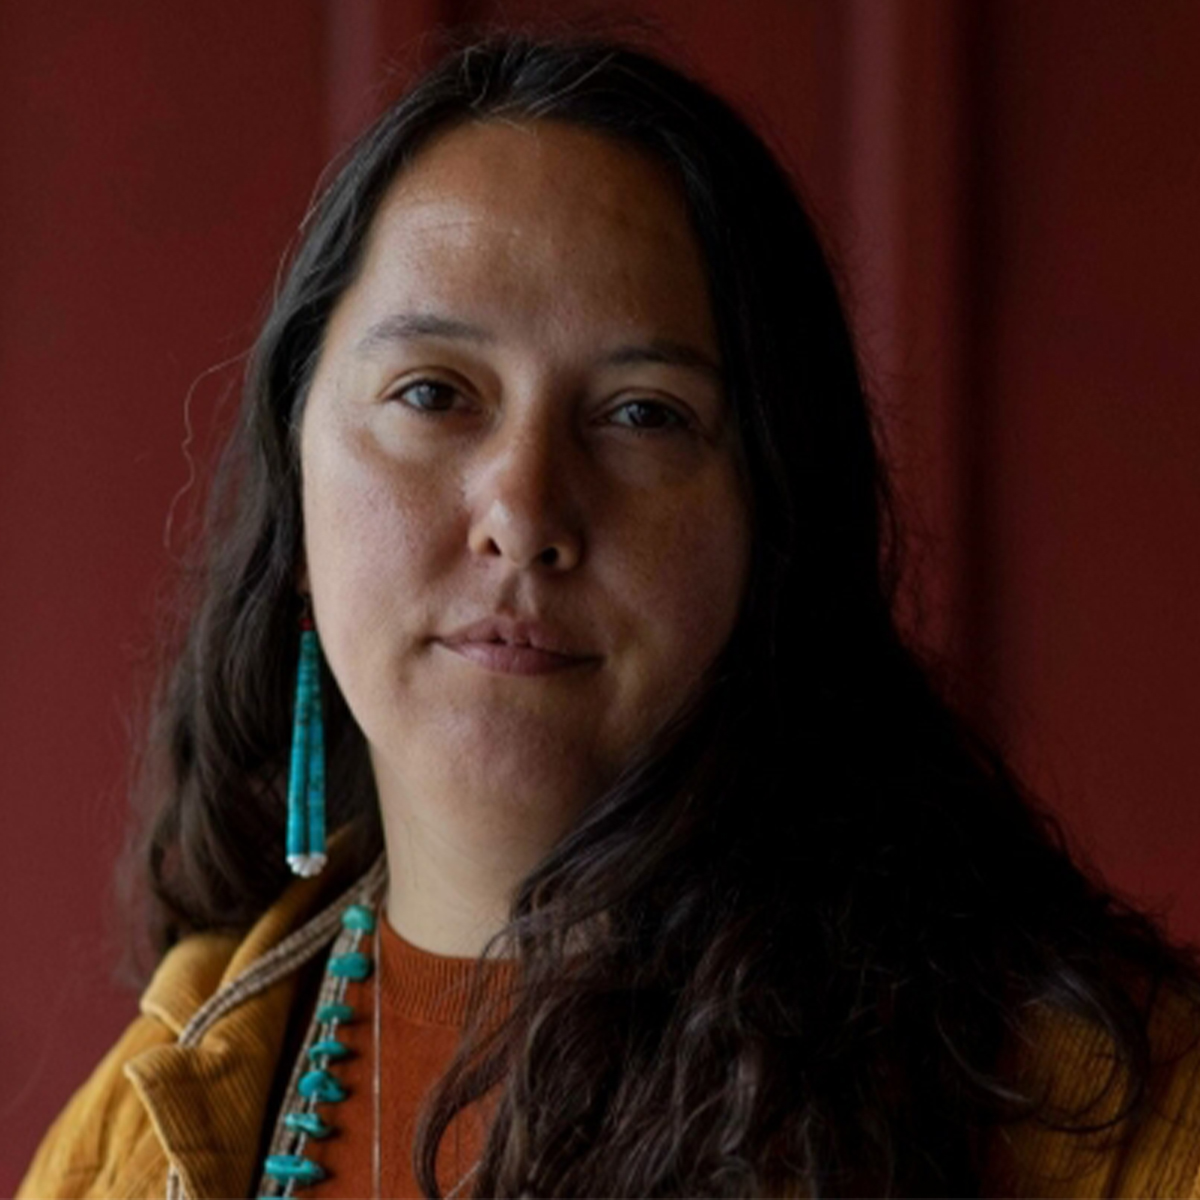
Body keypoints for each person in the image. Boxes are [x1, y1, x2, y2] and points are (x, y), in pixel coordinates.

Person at [18, 28, 1200, 1200]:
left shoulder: (1103, 1122)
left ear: (774, 524)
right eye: (433, 393)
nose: (525, 510)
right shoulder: (143, 1125)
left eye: (642, 414)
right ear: (298, 496)